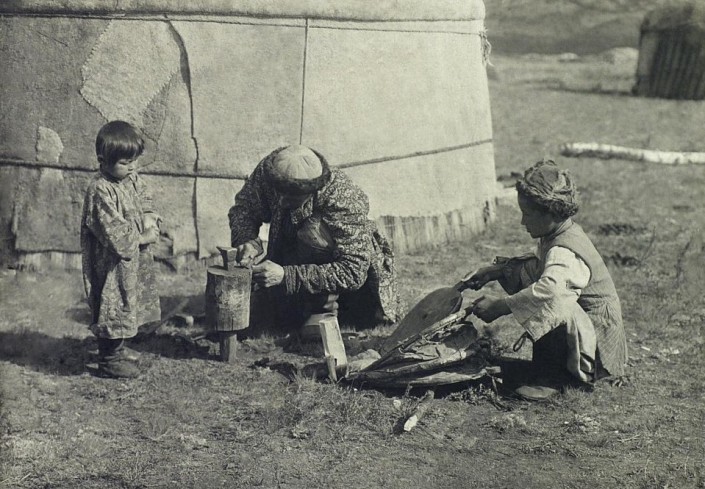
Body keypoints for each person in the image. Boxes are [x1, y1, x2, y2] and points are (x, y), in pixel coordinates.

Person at [467, 159, 628, 401]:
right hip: (583, 328)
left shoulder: (565, 250)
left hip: (596, 342)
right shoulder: (556, 234)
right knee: (541, 286)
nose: (523, 222)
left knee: (550, 298)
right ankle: (546, 369)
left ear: (551, 212)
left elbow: (551, 292)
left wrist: (501, 306)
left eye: (528, 214)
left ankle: (555, 379)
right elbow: (535, 266)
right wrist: (496, 271)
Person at [228, 145, 400, 338]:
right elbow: (244, 208)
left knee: (313, 232)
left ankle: (325, 309)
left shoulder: (343, 198)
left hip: (349, 291)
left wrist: (286, 276)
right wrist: (246, 240)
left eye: (292, 196)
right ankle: (291, 305)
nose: (281, 201)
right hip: (290, 259)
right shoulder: (271, 170)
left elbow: (353, 271)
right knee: (259, 318)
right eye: (278, 192)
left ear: (313, 191)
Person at [81, 121, 161, 379]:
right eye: (126, 163)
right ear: (103, 160)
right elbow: (113, 232)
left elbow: (143, 194)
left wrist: (148, 214)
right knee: (112, 306)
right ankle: (109, 360)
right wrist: (144, 236)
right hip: (111, 263)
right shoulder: (100, 190)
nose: (132, 167)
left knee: (127, 303)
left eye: (134, 161)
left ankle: (119, 349)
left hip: (130, 261)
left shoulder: (129, 178)